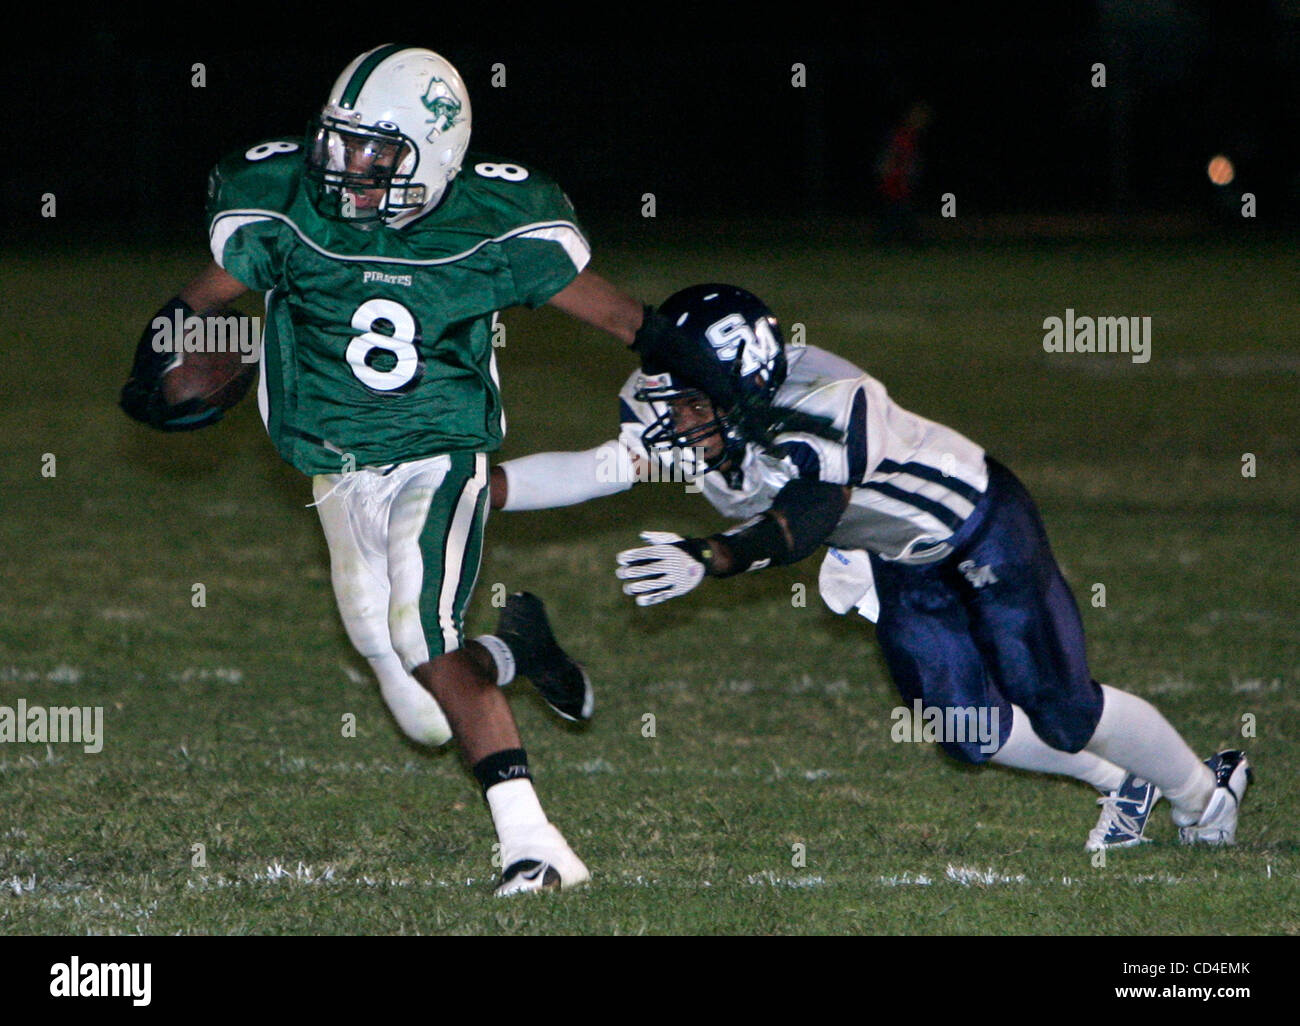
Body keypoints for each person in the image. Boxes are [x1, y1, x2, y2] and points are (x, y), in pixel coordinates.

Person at [118, 44, 680, 895]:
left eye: (373, 150)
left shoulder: (493, 223)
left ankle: (537, 847)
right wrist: (156, 360)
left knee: (423, 633)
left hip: (437, 451)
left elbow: (621, 317)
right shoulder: (286, 209)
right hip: (335, 477)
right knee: (423, 715)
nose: (346, 167)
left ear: (435, 151)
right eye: (338, 143)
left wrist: (708, 367)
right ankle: (518, 652)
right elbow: (198, 300)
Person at [489, 283, 1253, 851]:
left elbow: (806, 518)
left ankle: (1204, 795)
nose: (670, 421)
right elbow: (597, 468)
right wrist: (476, 491)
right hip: (893, 554)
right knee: (969, 733)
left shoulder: (827, 400)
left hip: (980, 528)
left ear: (743, 384)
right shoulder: (703, 412)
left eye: (688, 404)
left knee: (1060, 706)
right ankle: (1122, 779)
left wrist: (717, 555)